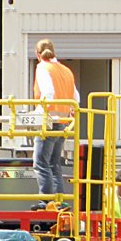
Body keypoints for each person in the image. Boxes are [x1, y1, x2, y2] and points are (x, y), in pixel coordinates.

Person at [32, 38, 79, 202]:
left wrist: (38, 114)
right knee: (54, 163)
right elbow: (76, 97)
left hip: (49, 122)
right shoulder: (66, 70)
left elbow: (48, 93)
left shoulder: (43, 68)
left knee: (40, 162)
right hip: (63, 123)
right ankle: (59, 201)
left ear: (38, 54)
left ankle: (46, 201)